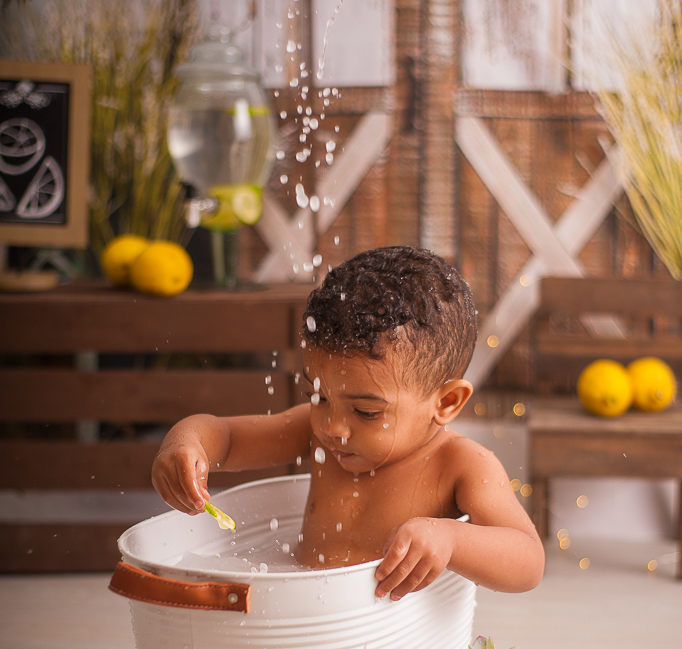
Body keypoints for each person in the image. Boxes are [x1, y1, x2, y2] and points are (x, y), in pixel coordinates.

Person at [152, 246, 545, 598]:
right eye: (317, 396)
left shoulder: (461, 464)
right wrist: (185, 444)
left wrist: (452, 538)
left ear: (445, 401)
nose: (332, 427)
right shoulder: (316, 430)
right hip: (309, 614)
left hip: (391, 645)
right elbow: (226, 436)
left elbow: (528, 562)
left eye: (366, 412)